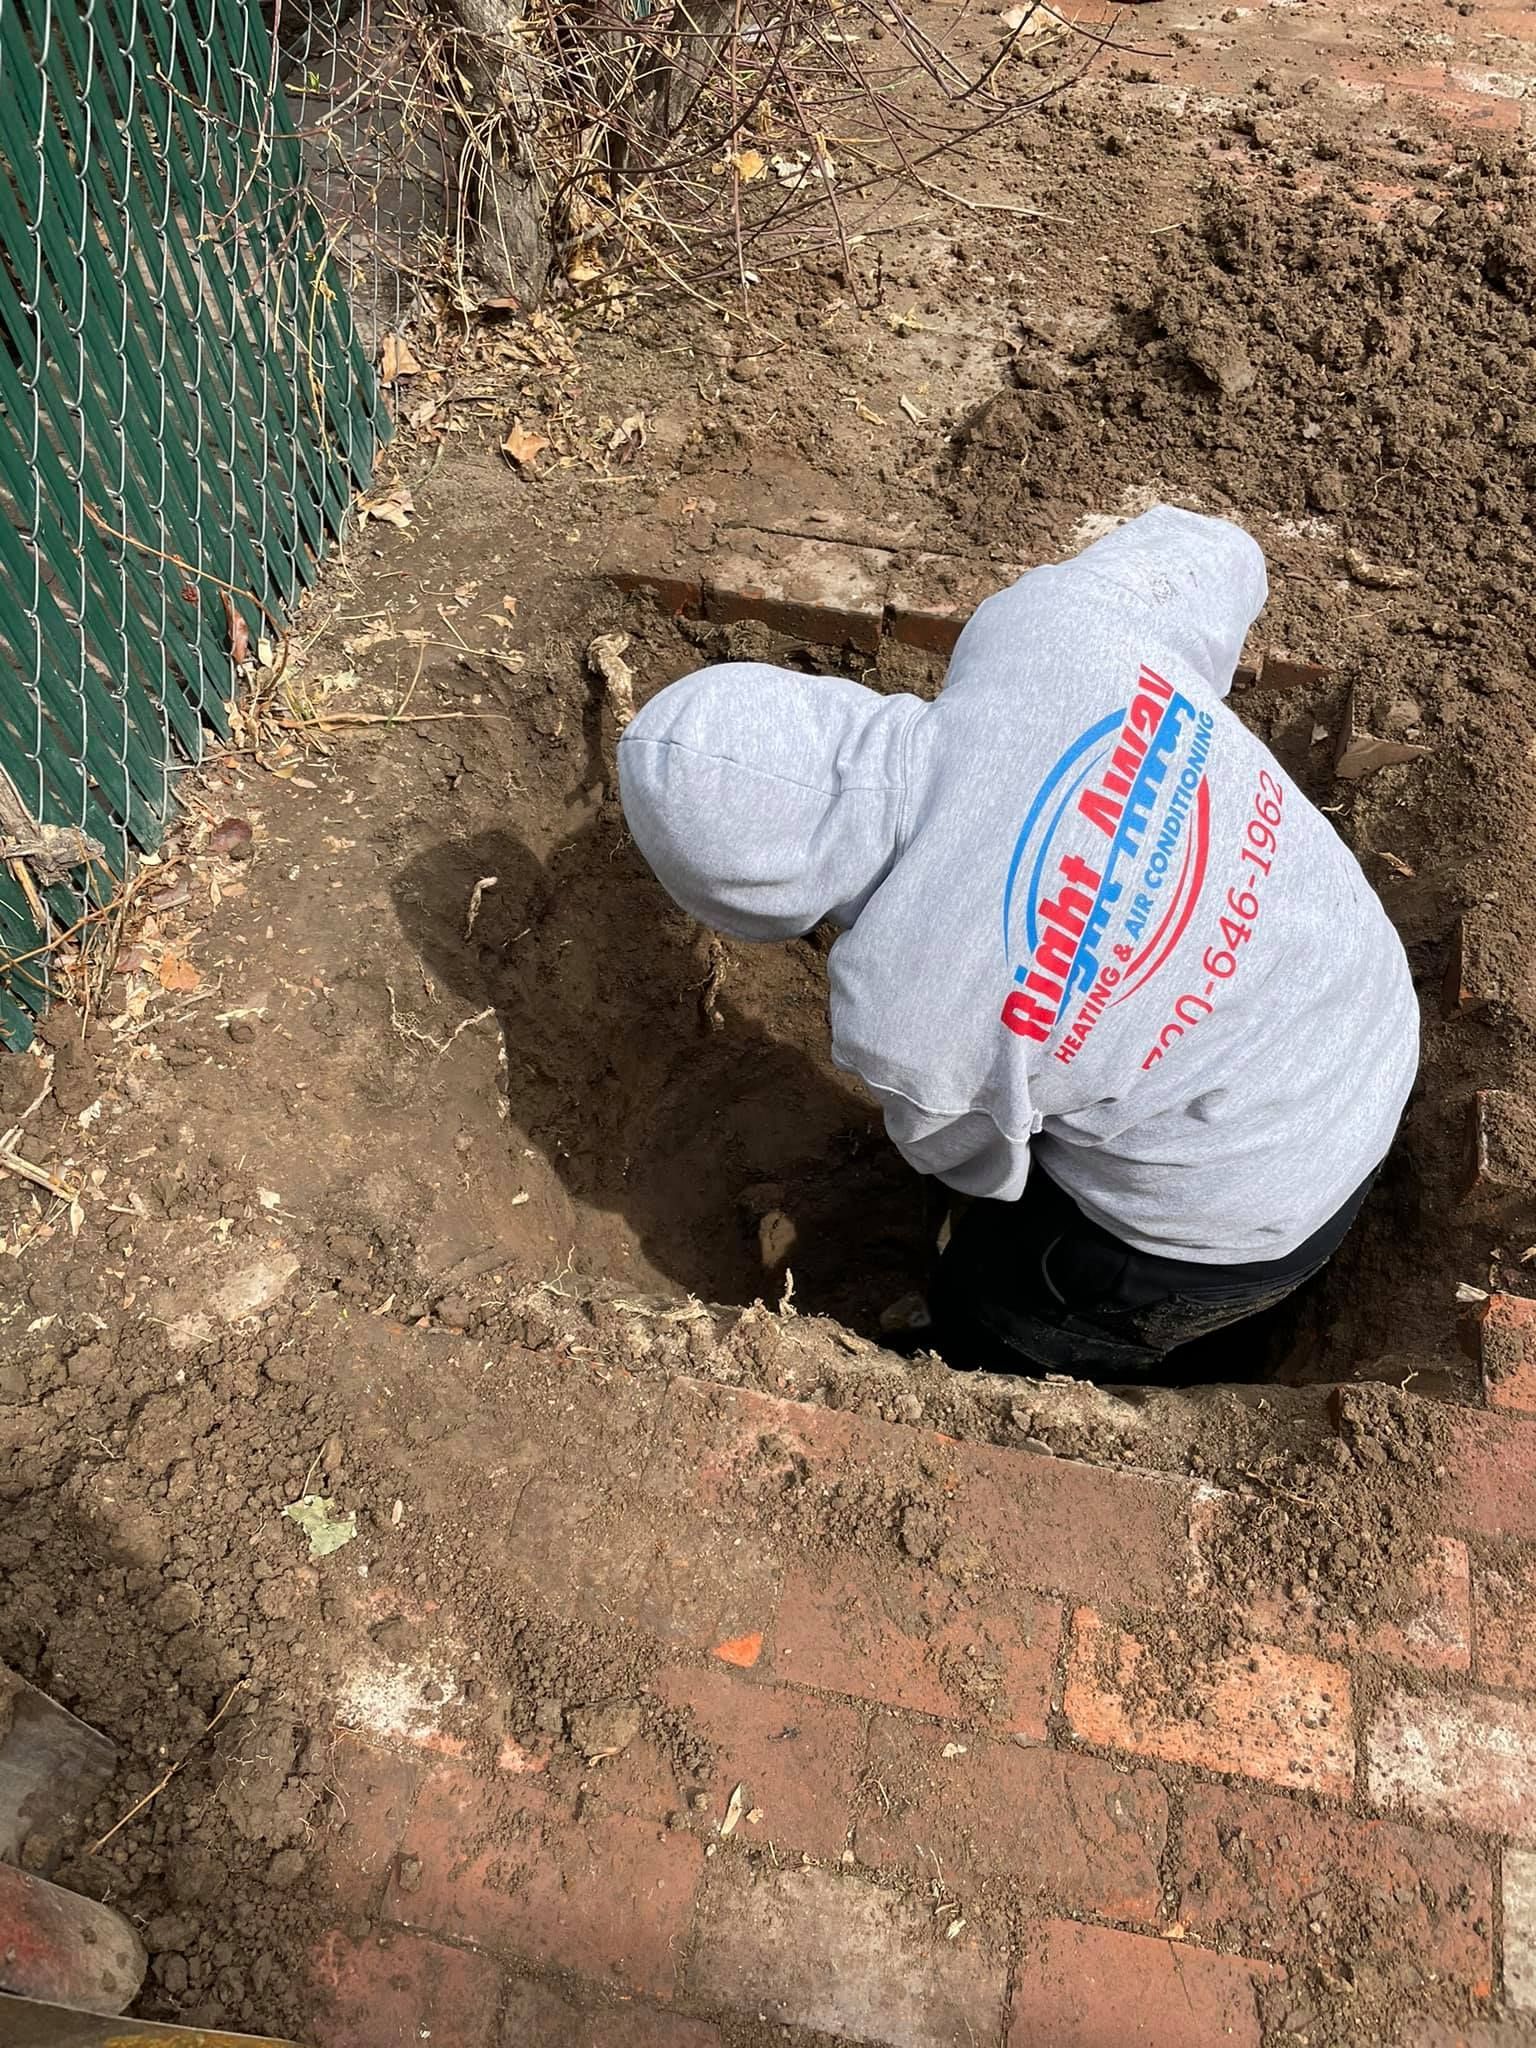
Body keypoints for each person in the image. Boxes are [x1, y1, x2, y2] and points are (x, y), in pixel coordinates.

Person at [616, 506, 1419, 1378]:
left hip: (1233, 1223)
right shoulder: (1047, 627)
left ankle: (994, 1359)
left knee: (1006, 1304)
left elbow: (989, 1173)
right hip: (1372, 1012)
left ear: (755, 903)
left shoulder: (902, 1014)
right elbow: (1216, 553)